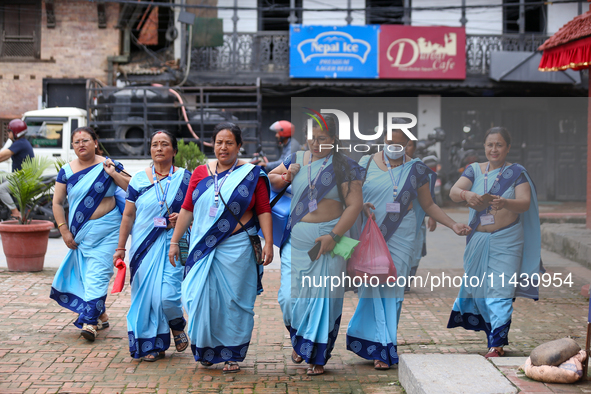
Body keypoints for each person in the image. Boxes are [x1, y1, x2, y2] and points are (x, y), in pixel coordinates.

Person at [346, 129, 471, 370]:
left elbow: (428, 204)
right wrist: (360, 205)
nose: (394, 146)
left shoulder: (417, 169)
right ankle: (369, 340)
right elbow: (351, 195)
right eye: (389, 142)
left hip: (401, 236)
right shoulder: (366, 162)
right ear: (383, 142)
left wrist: (453, 224)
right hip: (371, 234)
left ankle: (385, 348)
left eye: (399, 143)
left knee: (393, 291)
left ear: (408, 145)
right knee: (369, 290)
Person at [169, 122, 273, 373]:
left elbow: (263, 210)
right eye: (218, 142)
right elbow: (187, 209)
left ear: (239, 146)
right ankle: (205, 349)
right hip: (202, 248)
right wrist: (174, 241)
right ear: (212, 145)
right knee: (196, 297)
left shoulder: (251, 174)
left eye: (229, 143)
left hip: (238, 249)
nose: (223, 147)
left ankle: (231, 354)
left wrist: (269, 241)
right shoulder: (199, 173)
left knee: (234, 302)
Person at [269, 115, 364, 376]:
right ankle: (301, 338)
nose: (315, 143)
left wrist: (334, 235)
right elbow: (269, 179)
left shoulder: (346, 167)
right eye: (312, 137)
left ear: (334, 140)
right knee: (288, 298)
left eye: (322, 138)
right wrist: (286, 176)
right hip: (296, 241)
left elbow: (354, 205)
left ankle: (317, 356)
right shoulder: (297, 158)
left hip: (329, 241)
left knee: (324, 300)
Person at [447, 127, 540, 358]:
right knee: (479, 289)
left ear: (508, 148)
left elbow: (525, 203)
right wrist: (466, 195)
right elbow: (452, 191)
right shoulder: (474, 170)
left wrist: (506, 202)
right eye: (490, 145)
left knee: (500, 288)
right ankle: (491, 335)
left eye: (499, 145)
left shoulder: (517, 172)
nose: (494, 149)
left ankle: (497, 344)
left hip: (507, 239)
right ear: (484, 147)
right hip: (478, 239)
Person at [113, 131, 191, 362]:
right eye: (154, 144)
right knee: (146, 296)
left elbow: (198, 210)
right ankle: (151, 345)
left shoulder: (186, 179)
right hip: (143, 246)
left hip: (177, 242)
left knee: (167, 296)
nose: (159, 148)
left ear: (174, 151)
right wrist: (120, 248)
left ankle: (177, 325)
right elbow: (128, 216)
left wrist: (187, 218)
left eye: (164, 144)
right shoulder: (138, 179)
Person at [50, 127, 130, 341]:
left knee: (98, 275)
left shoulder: (108, 164)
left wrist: (112, 173)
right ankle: (101, 315)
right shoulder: (66, 171)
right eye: (76, 142)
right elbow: (57, 203)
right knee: (87, 277)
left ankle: (89, 322)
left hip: (109, 231)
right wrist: (63, 229)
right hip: (80, 234)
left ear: (96, 142)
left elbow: (133, 188)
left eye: (86, 140)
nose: (81, 144)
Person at [405, 139, 437, 291]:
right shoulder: (382, 167)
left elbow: (429, 195)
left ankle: (406, 282)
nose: (404, 148)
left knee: (416, 248)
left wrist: (433, 217)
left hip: (417, 217)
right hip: (391, 221)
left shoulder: (420, 168)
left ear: (415, 147)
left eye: (408, 145)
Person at [0, 119, 34, 221]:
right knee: (3, 178)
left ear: (15, 132)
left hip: (22, 178)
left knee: (1, 189)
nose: (8, 133)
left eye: (9, 131)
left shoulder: (20, 143)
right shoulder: (21, 142)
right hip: (20, 176)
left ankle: (15, 212)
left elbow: (3, 154)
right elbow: (5, 156)